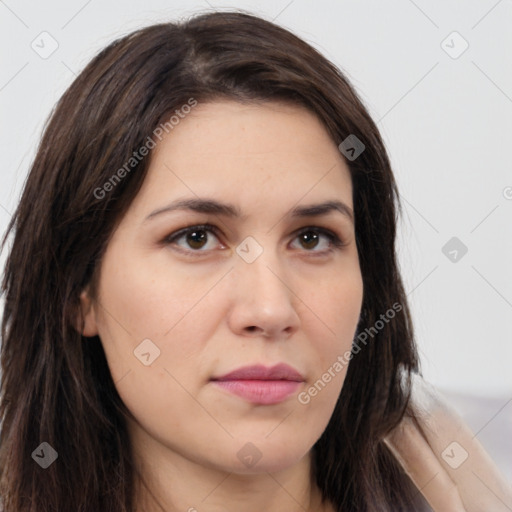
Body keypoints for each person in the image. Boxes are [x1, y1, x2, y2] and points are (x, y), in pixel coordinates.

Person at [0, 10, 510, 512]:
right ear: (78, 289)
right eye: (196, 238)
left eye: (312, 238)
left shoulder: (464, 472)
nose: (270, 310)